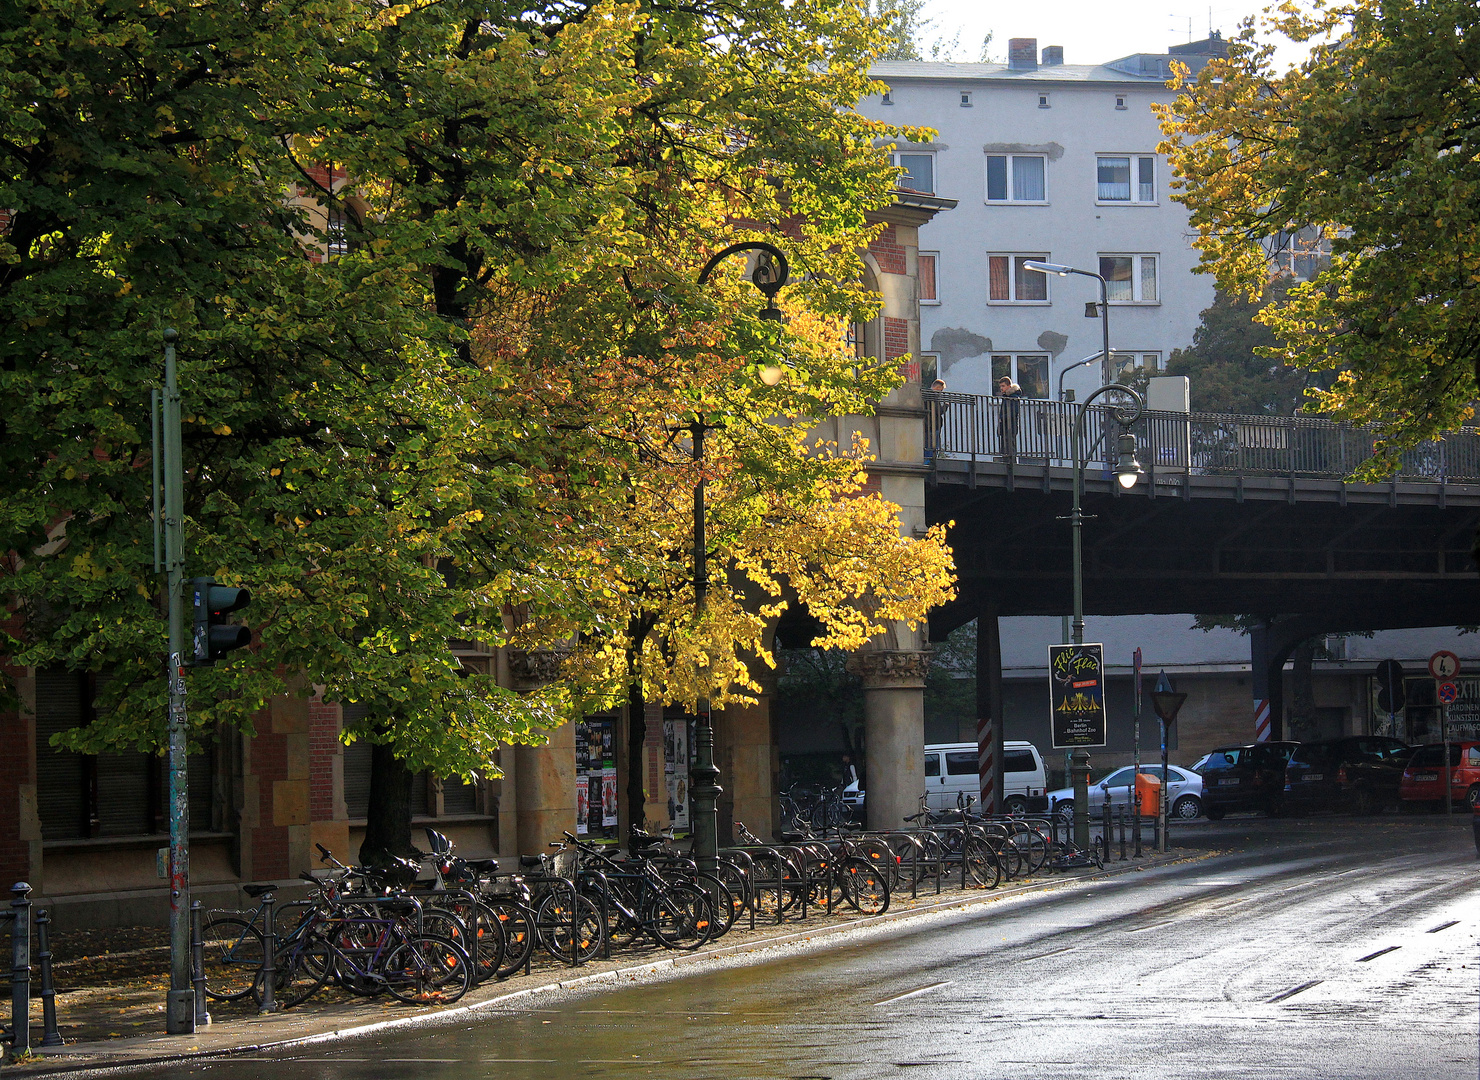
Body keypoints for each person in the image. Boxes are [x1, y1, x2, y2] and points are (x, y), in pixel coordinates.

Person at [997, 375, 1022, 462]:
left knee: (1010, 447)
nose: (1001, 388)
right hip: (1005, 426)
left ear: (1009, 386)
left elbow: (1013, 412)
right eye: (1000, 386)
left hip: (1010, 426)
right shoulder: (1006, 397)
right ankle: (1007, 461)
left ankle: (1011, 463)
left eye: (1003, 386)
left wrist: (1002, 418)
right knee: (1005, 447)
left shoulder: (1013, 397)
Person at [925, 378, 948, 458]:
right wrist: (945, 406)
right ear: (937, 388)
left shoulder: (927, 395)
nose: (940, 393)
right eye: (940, 390)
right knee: (932, 446)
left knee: (929, 445)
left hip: (929, 425)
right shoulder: (932, 397)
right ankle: (930, 460)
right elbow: (938, 411)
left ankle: (930, 459)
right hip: (932, 425)